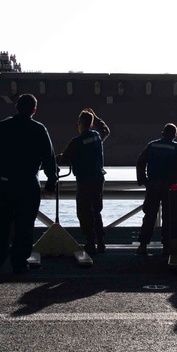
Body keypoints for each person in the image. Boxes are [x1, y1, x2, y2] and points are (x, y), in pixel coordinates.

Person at [0, 94, 58, 274]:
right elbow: (49, 158)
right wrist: (51, 181)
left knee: (1, 226)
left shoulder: (2, 126)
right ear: (34, 110)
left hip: (5, 183)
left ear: (16, 107)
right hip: (28, 184)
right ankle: (19, 263)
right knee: (25, 226)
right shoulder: (39, 129)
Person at [56, 108, 110, 254]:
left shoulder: (76, 142)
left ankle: (90, 242)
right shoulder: (97, 137)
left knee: (84, 212)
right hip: (98, 179)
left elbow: (64, 159)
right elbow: (105, 129)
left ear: (79, 124)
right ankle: (101, 242)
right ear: (91, 124)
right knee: (97, 211)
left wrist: (55, 158)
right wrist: (96, 116)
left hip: (85, 181)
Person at [135, 123, 177, 256]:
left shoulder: (151, 145)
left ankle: (143, 246)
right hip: (170, 187)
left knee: (149, 216)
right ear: (175, 135)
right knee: (168, 217)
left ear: (163, 133)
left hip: (153, 185)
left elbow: (140, 162)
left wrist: (143, 180)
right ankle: (166, 247)